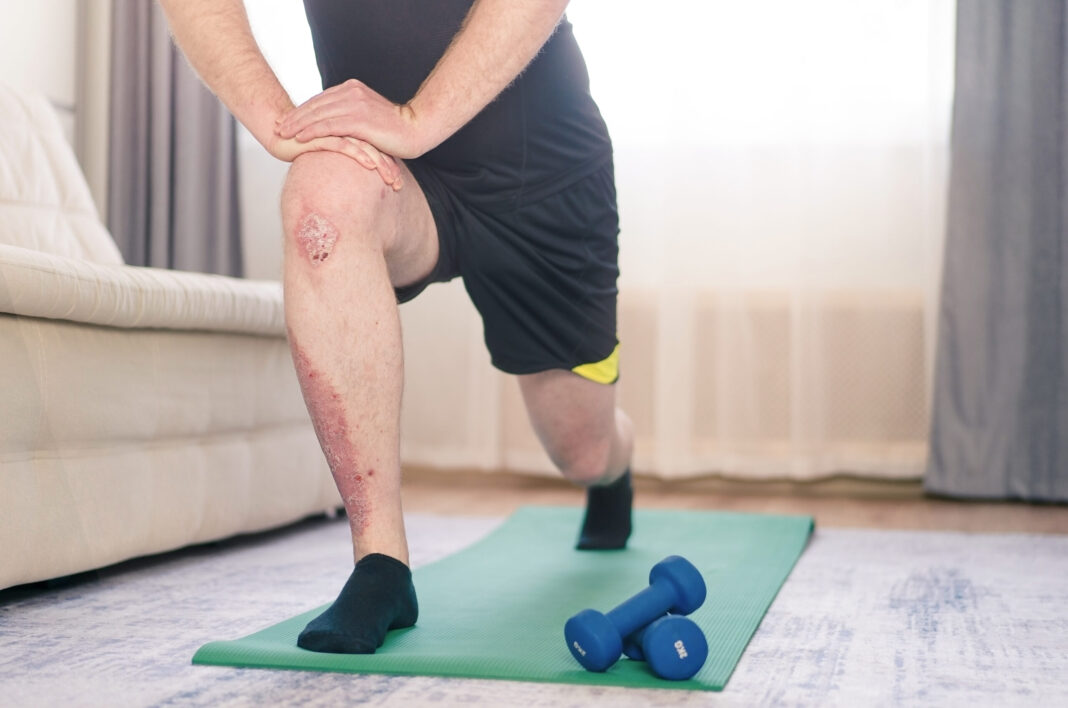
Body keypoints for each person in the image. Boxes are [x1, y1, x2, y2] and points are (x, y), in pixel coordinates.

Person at [158, 0, 634, 654]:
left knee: (581, 449)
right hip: (389, 162)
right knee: (321, 202)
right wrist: (276, 120)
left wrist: (419, 119)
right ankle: (381, 564)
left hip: (541, 174)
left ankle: (614, 472)